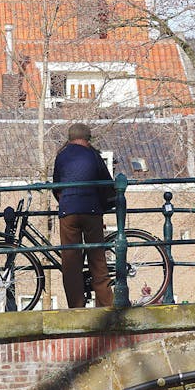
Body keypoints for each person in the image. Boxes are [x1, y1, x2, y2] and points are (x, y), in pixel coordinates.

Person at [51, 123, 114, 308]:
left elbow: (56, 187)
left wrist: (66, 203)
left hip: (68, 212)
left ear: (70, 139)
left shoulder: (61, 156)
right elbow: (106, 184)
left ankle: (76, 308)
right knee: (98, 260)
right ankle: (106, 306)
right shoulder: (93, 155)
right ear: (87, 139)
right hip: (91, 210)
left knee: (71, 262)